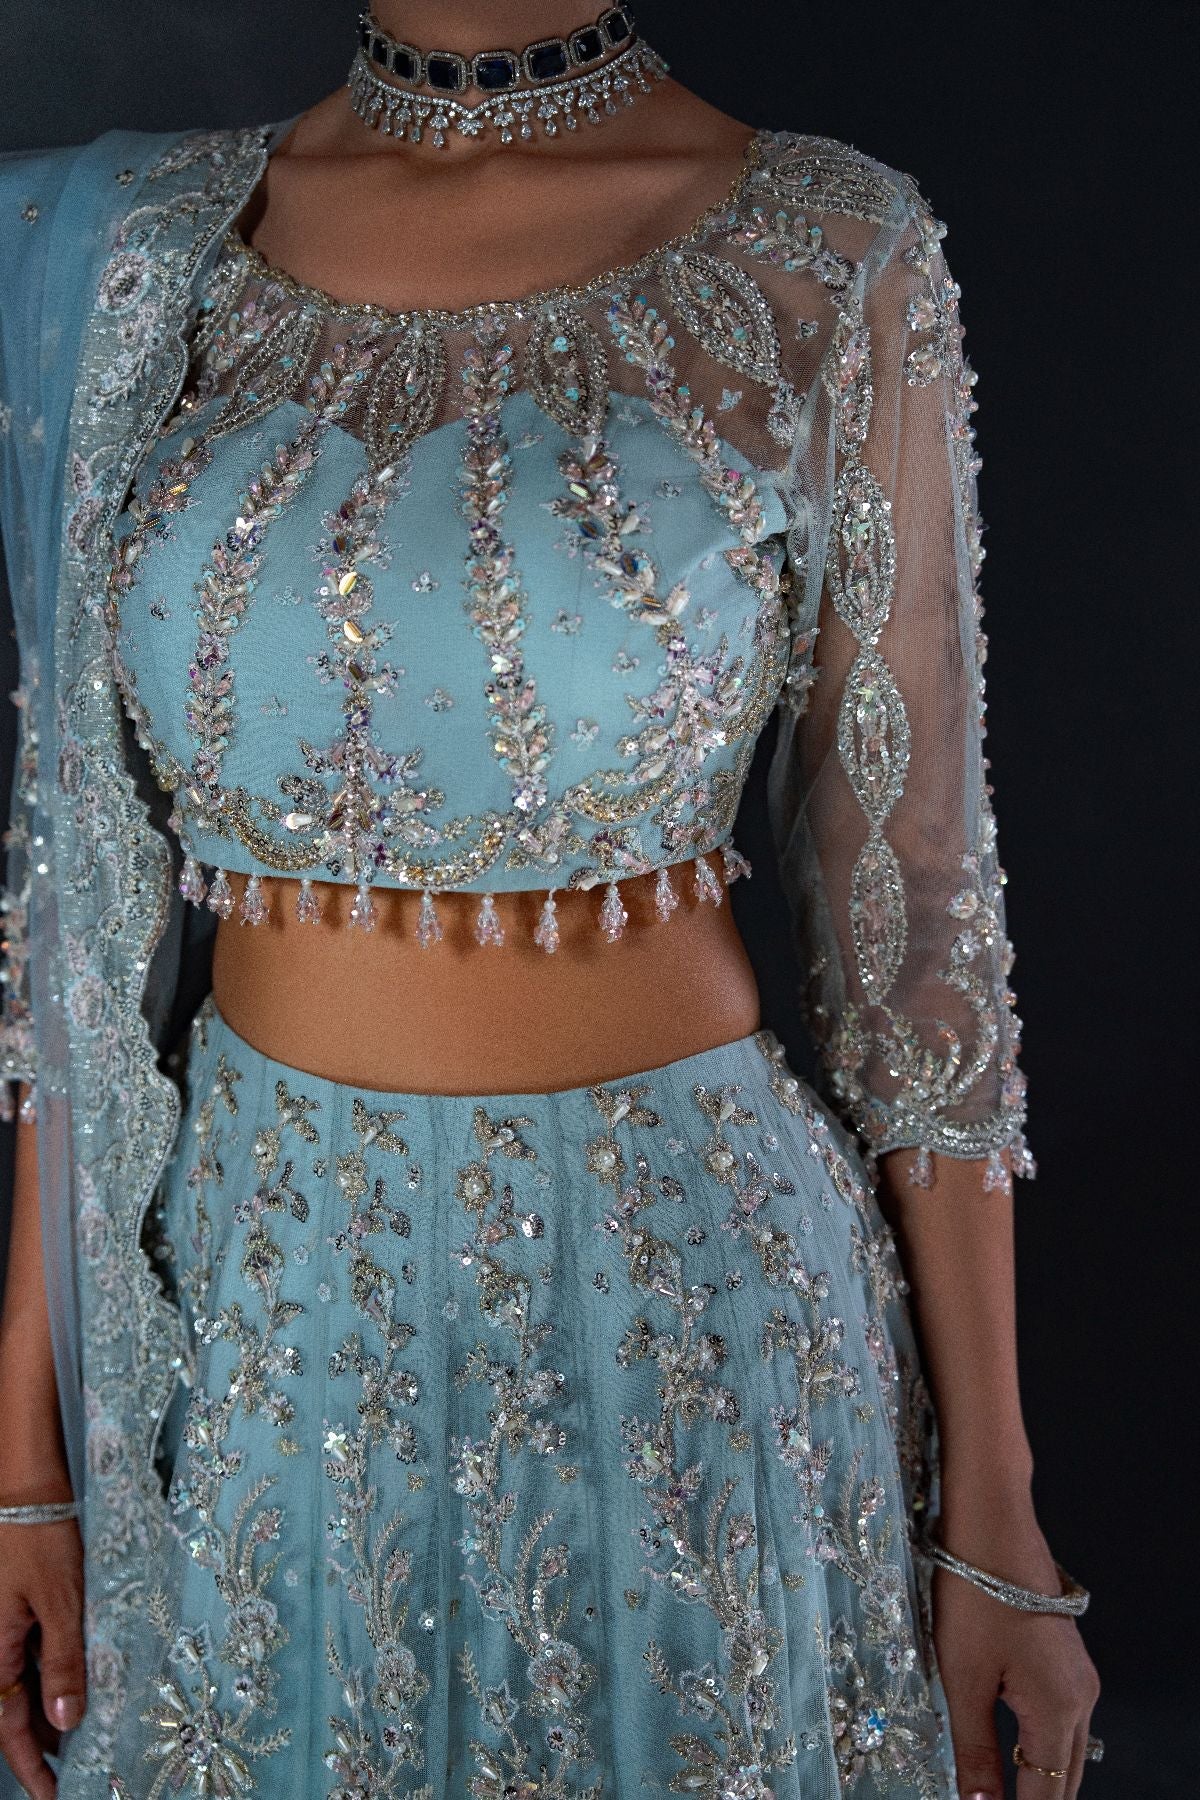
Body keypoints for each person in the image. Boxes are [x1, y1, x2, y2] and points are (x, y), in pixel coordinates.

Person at [0, 4, 1101, 1795]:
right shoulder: (141, 250)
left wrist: (997, 1515)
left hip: (681, 1340)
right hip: (259, 1335)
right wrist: (23, 1456)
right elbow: (77, 912)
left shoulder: (825, 245)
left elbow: (918, 929)